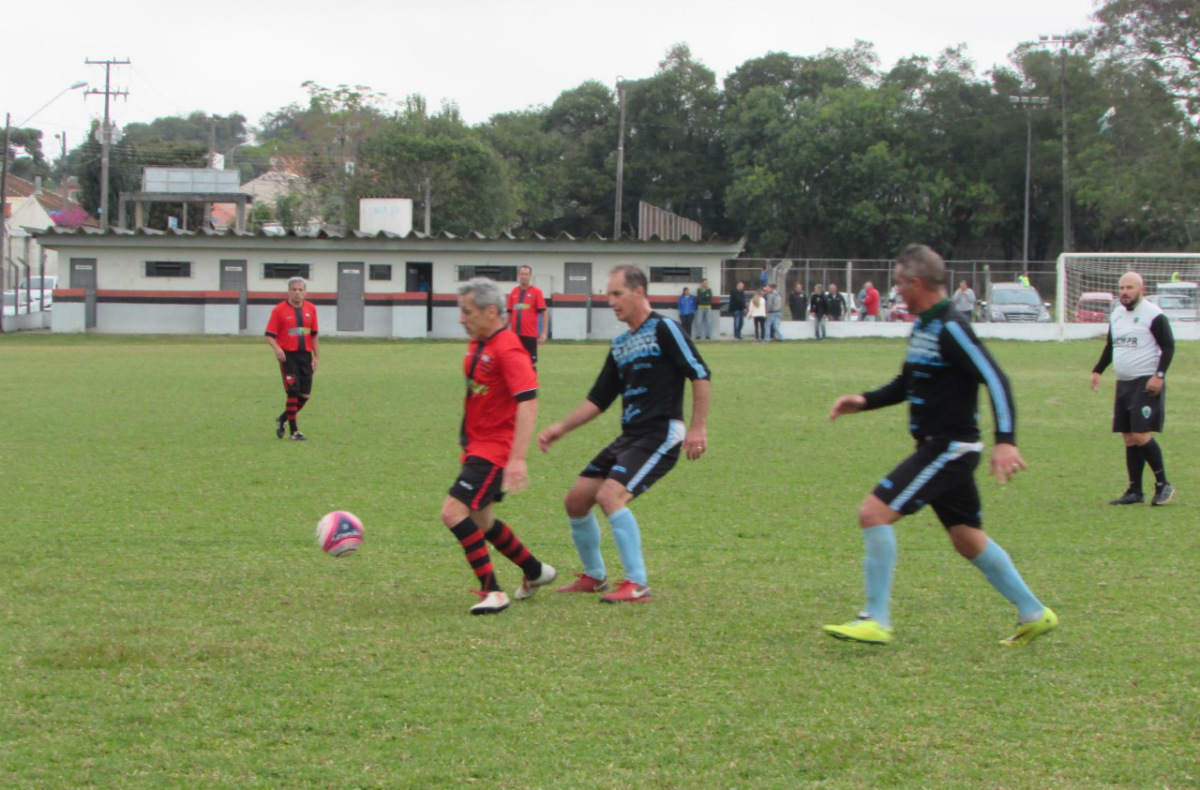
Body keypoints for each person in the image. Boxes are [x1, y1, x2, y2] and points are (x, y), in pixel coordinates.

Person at [824, 244, 1057, 647]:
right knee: (966, 538)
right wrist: (863, 401)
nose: (897, 292)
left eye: (899, 283)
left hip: (950, 448)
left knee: (873, 512)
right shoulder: (923, 327)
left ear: (916, 282)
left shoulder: (951, 326)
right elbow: (906, 384)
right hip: (939, 448)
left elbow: (996, 378)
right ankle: (1035, 613)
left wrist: (1006, 441)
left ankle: (875, 618)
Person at [537, 265, 711, 603]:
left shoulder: (665, 329)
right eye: (608, 295)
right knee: (576, 500)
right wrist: (561, 428)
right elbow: (599, 399)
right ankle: (595, 576)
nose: (611, 302)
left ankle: (637, 583)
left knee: (609, 496)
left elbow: (700, 373)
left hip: (661, 433)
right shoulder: (620, 344)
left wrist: (698, 426)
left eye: (617, 294)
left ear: (640, 293)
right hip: (630, 436)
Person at [441, 278, 557, 615]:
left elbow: (528, 402)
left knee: (452, 512)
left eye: (467, 312)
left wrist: (517, 459)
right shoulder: (480, 342)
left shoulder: (508, 348)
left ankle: (493, 592)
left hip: (494, 450)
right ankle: (535, 571)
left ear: (491, 311)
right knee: (482, 521)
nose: (461, 319)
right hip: (477, 446)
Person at [1090, 271, 1176, 506]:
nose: (1125, 292)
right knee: (1128, 437)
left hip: (1145, 381)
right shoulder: (1117, 315)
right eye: (1122, 288)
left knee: (1140, 434)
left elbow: (1168, 346)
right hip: (1124, 382)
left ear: (1141, 289)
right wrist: (1098, 370)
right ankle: (1134, 491)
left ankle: (1163, 484)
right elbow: (1111, 346)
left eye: (1130, 288)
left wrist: (1159, 376)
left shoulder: (1154, 315)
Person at [265, 277, 320, 441]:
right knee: (293, 392)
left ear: (305, 292)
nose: (297, 292)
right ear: (289, 291)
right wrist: (277, 349)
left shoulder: (311, 308)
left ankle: (282, 418)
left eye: (300, 289)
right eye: (294, 289)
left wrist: (316, 356)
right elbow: (269, 336)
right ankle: (294, 432)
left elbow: (314, 335)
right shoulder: (278, 310)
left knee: (305, 396)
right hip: (288, 357)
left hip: (305, 356)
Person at [506, 264, 549, 369]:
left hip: (529, 336)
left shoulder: (536, 292)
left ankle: (531, 385)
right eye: (522, 274)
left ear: (530, 276)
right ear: (518, 275)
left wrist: (543, 333)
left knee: (530, 365)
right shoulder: (513, 293)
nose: (524, 276)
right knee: (514, 364)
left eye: (526, 274)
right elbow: (509, 314)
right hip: (515, 336)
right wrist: (502, 331)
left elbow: (544, 313)